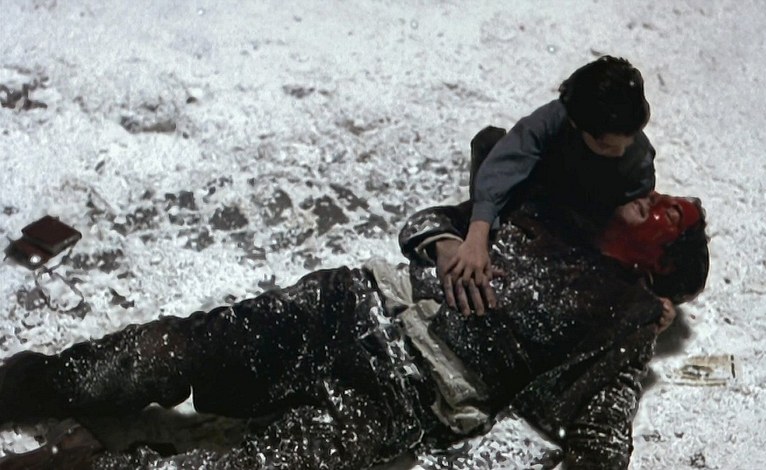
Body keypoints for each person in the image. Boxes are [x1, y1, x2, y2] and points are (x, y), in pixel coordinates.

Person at [0, 193, 708, 470]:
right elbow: (424, 221)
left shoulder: (624, 321)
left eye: (669, 215)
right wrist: (448, 245)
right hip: (351, 304)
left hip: (406, 396)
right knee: (186, 347)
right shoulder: (545, 205)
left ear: (658, 265)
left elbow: (601, 436)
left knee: (255, 468)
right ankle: (36, 384)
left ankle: (83, 465)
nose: (653, 198)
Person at [452, 55, 656, 311]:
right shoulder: (554, 119)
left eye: (629, 140)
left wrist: (644, 290)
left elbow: (633, 231)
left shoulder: (638, 161)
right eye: (606, 146)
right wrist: (477, 236)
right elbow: (504, 166)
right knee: (490, 143)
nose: (620, 152)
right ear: (575, 124)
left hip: (584, 219)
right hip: (539, 193)